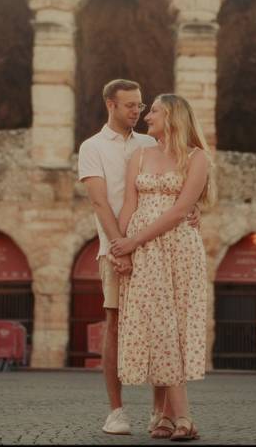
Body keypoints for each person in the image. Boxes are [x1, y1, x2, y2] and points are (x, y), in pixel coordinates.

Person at [78, 79, 198, 436]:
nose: (138, 112)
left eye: (142, 106)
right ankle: (116, 411)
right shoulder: (92, 147)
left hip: (157, 247)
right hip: (116, 246)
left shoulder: (150, 142)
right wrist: (120, 248)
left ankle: (160, 412)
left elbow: (180, 182)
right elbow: (102, 203)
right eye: (130, 105)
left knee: (163, 324)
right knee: (115, 324)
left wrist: (193, 211)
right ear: (110, 105)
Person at [110, 93, 216, 442]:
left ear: (172, 115)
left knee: (176, 329)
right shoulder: (139, 156)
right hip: (144, 253)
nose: (146, 116)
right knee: (159, 328)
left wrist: (134, 242)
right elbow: (129, 205)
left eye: (153, 110)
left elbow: (178, 211)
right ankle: (178, 417)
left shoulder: (197, 158)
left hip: (180, 249)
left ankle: (176, 418)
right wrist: (121, 249)